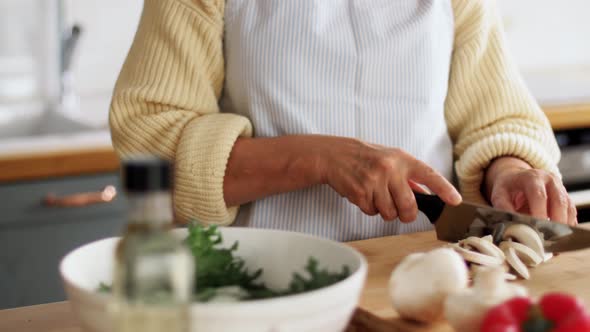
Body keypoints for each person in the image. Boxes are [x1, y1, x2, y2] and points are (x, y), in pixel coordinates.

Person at [109, 0, 576, 241]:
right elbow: (151, 142)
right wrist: (318, 159)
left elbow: (497, 118)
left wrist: (510, 171)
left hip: (424, 280)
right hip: (260, 287)